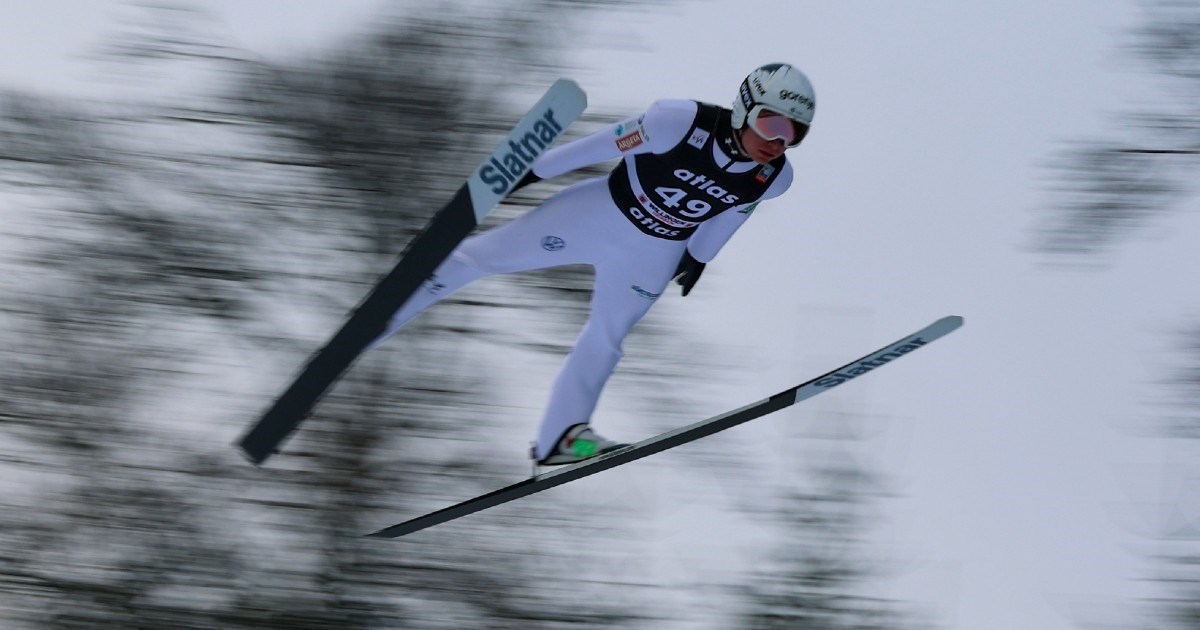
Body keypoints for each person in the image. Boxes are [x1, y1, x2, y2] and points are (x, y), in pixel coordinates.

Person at [375, 63, 815, 466]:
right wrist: (530, 172)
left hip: (653, 254)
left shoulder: (774, 179)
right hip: (597, 214)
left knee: (607, 339)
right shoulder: (676, 121)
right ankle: (380, 319)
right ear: (743, 108)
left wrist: (699, 258)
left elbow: (733, 212)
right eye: (771, 123)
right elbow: (600, 145)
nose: (778, 141)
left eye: (793, 133)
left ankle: (562, 439)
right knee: (481, 256)